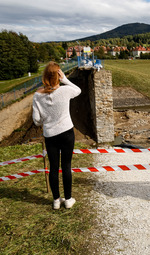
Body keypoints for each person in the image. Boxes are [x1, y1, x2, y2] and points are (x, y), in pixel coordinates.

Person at [33, 61, 81, 210]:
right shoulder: (65, 91)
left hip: (50, 135)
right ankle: (68, 199)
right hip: (66, 132)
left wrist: (46, 118)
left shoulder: (37, 95)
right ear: (58, 76)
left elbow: (36, 120)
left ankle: (56, 201)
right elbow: (78, 90)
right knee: (66, 166)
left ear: (44, 77)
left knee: (53, 168)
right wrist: (65, 79)